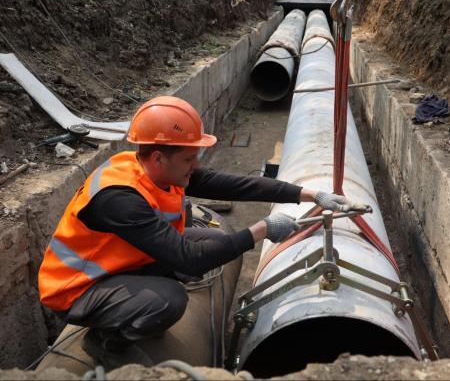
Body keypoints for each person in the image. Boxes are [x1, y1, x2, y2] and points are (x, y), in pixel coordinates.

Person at [37, 96, 364, 367]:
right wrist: (263, 229)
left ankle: (139, 295)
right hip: (78, 287)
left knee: (215, 242)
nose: (196, 167)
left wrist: (308, 194)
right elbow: (189, 259)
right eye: (190, 158)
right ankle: (106, 340)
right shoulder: (118, 199)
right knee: (170, 300)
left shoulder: (154, 167)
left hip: (122, 262)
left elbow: (235, 185)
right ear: (158, 157)